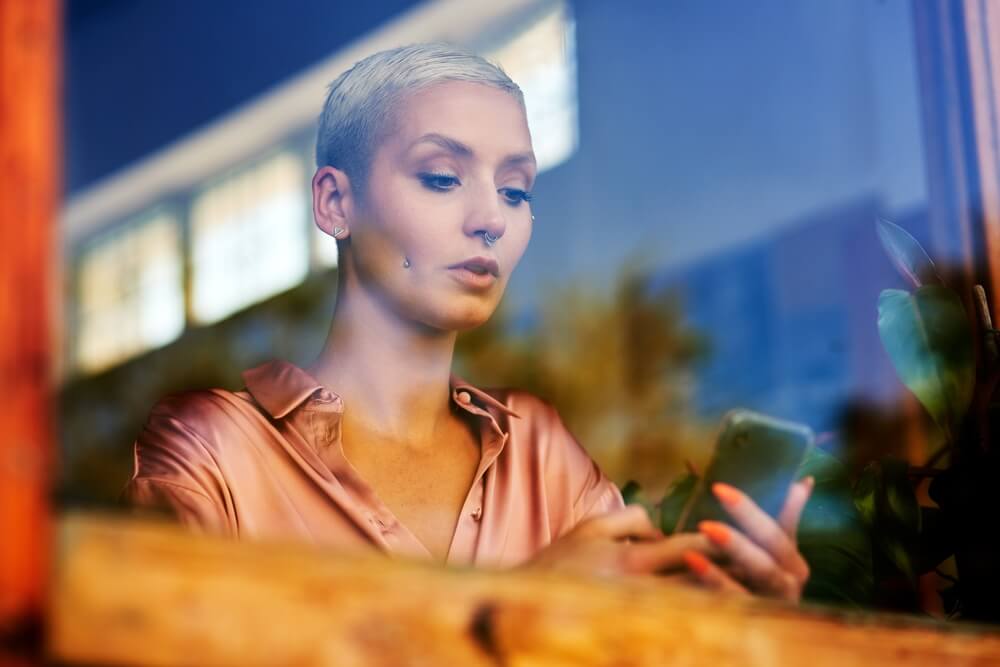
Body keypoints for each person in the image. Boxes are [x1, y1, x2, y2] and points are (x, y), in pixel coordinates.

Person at [122, 43, 813, 602]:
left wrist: (744, 621)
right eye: (442, 177)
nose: (491, 218)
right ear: (335, 202)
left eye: (515, 190)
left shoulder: (545, 458)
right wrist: (514, 610)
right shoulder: (215, 451)